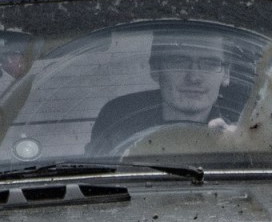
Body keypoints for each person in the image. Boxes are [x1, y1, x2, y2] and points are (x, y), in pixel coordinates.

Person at [86, 26, 237, 156]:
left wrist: (239, 148)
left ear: (226, 74)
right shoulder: (118, 121)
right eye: (179, 61)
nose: (194, 77)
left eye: (210, 64)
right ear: (156, 68)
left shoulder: (241, 131)